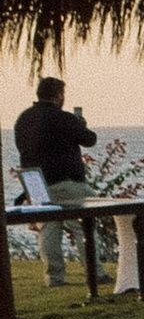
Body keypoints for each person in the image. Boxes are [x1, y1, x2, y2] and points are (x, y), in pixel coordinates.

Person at [14, 75, 98, 285]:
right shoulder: (64, 118)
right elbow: (89, 140)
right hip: (66, 181)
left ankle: (54, 277)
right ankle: (94, 272)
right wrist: (81, 124)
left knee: (49, 229)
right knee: (84, 224)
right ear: (59, 95)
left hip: (37, 182)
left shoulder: (23, 119)